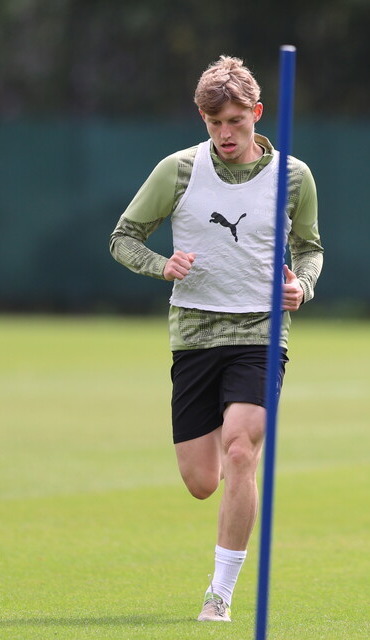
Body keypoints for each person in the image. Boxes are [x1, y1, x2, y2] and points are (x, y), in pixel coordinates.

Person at [109, 55, 323, 622]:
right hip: (195, 335)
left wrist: (302, 285)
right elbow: (123, 237)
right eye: (213, 123)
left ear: (256, 113)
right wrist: (162, 266)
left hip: (260, 330)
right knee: (203, 480)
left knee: (239, 450)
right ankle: (235, 476)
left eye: (234, 121)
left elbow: (310, 248)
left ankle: (219, 596)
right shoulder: (178, 170)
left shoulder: (294, 176)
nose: (225, 134)